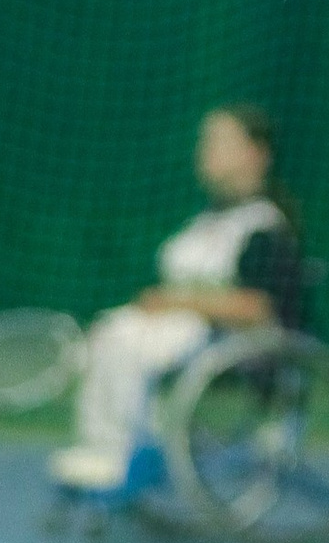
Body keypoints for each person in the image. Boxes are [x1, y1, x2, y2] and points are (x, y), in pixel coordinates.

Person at [48, 104, 300, 495]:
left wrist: (176, 302)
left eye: (219, 141)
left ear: (256, 154)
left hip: (234, 346)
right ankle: (99, 448)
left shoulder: (265, 226)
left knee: (133, 343)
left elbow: (259, 307)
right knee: (109, 332)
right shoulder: (206, 222)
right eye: (205, 141)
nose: (205, 150)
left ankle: (130, 453)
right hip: (182, 332)